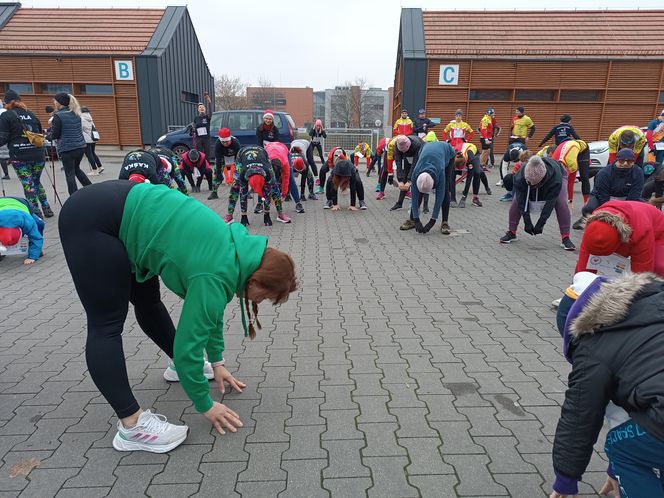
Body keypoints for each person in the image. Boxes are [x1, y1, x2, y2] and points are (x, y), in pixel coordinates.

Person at [58, 180, 297, 453]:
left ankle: (176, 370)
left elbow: (210, 314)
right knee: (107, 324)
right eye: (264, 296)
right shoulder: (215, 274)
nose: (258, 301)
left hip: (121, 210)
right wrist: (205, 404)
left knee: (148, 302)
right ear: (256, 280)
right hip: (94, 221)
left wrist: (217, 361)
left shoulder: (235, 252)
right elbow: (190, 345)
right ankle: (132, 426)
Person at [550, 271, 664, 498]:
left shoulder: (594, 344)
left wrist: (565, 481)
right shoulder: (653, 305)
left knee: (620, 447)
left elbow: (580, 416)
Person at [499, 155, 575, 251]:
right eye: (529, 183)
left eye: (535, 184)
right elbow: (522, 200)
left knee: (561, 202)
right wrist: (527, 221)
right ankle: (511, 232)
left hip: (559, 174)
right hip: (534, 179)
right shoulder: (520, 176)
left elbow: (550, 202)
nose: (532, 186)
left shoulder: (555, 178)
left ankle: (565, 237)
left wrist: (541, 223)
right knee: (515, 202)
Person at [574, 200, 664, 276]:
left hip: (658, 232)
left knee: (659, 267)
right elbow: (583, 269)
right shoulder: (593, 229)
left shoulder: (641, 230)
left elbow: (642, 274)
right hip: (623, 233)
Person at [0, 91, 53, 218]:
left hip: (20, 156)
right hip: (37, 154)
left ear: (7, 103)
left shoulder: (6, 116)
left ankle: (35, 212)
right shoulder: (31, 114)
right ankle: (46, 208)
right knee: (35, 181)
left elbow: (3, 138)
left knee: (28, 183)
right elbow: (39, 132)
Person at [572, 149, 644, 229]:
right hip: (604, 196)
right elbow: (603, 196)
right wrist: (611, 213)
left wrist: (625, 212)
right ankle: (585, 218)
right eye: (622, 161)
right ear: (616, 160)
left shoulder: (638, 172)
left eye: (629, 161)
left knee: (644, 208)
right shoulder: (604, 173)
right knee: (589, 208)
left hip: (625, 197)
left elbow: (634, 196)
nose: (625, 163)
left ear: (633, 162)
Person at [225, 145, 291, 226]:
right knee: (235, 187)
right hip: (242, 154)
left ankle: (280, 214)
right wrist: (244, 215)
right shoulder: (243, 173)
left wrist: (267, 214)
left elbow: (267, 193)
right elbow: (243, 194)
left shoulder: (268, 172)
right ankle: (229, 215)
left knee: (274, 187)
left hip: (262, 153)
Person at [399, 141, 455, 234]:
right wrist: (416, 219)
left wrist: (432, 221)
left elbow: (439, 197)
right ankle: (412, 220)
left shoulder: (440, 172)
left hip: (446, 152)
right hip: (425, 149)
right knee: (419, 193)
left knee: (445, 189)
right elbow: (414, 197)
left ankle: (445, 222)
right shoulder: (415, 174)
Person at [51, 93, 91, 196]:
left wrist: (47, 136)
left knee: (70, 174)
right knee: (77, 169)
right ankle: (91, 190)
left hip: (67, 148)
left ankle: (74, 197)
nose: (54, 103)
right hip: (80, 146)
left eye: (55, 101)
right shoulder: (76, 113)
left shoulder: (58, 116)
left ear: (60, 103)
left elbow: (55, 134)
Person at [0, 196, 44, 265]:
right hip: (1, 203)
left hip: (22, 203)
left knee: (39, 224)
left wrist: (32, 257)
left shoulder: (27, 221)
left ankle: (37, 249)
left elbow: (36, 238)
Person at [264, 141, 304, 214]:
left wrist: (283, 195)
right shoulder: (266, 162)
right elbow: (263, 181)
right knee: (265, 180)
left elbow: (286, 179)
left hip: (282, 149)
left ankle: (298, 203)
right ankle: (260, 203)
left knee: (291, 179)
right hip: (269, 149)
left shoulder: (285, 163)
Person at [499, 106, 535, 186]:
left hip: (521, 138)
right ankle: (504, 179)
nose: (516, 113)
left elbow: (533, 128)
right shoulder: (515, 118)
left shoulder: (527, 119)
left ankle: (520, 175)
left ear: (522, 112)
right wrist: (510, 135)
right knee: (509, 155)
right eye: (516, 111)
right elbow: (512, 127)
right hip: (513, 137)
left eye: (517, 111)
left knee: (521, 156)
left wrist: (529, 137)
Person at [390, 135, 424, 211]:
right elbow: (398, 162)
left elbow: (415, 164)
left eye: (404, 150)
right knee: (404, 177)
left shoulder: (417, 145)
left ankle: (419, 205)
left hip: (420, 157)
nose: (402, 152)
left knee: (418, 179)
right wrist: (400, 181)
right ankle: (399, 203)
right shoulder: (397, 144)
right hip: (408, 158)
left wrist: (409, 181)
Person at [550, 139, 588, 205]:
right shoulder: (552, 162)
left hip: (582, 149)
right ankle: (561, 201)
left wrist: (569, 201)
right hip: (566, 145)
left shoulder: (571, 163)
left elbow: (570, 182)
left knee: (584, 177)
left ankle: (587, 204)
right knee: (558, 182)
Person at [453, 142, 490, 208]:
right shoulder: (453, 156)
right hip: (461, 150)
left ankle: (475, 198)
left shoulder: (470, 158)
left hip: (474, 154)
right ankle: (452, 198)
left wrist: (464, 197)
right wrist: (452, 198)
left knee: (478, 172)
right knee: (452, 173)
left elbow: (469, 179)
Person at [209, 128, 241, 200]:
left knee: (240, 173)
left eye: (227, 142)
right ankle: (214, 192)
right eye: (223, 142)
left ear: (229, 139)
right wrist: (219, 173)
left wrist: (237, 170)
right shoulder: (218, 143)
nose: (225, 144)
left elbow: (239, 158)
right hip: (222, 157)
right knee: (216, 174)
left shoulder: (235, 142)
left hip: (234, 157)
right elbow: (218, 159)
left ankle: (243, 192)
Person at [81, 107, 104, 175]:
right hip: (93, 138)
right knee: (93, 153)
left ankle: (94, 170)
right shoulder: (90, 119)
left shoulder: (81, 119)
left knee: (89, 155)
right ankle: (100, 166)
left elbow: (80, 129)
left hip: (86, 139)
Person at [192, 92, 212, 158]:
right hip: (198, 139)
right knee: (200, 155)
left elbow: (210, 113)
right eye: (200, 107)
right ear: (198, 109)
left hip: (206, 139)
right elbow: (194, 126)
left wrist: (209, 103)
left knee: (207, 154)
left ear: (205, 109)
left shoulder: (207, 117)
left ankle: (207, 167)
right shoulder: (196, 118)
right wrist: (193, 129)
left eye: (203, 107)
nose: (201, 108)